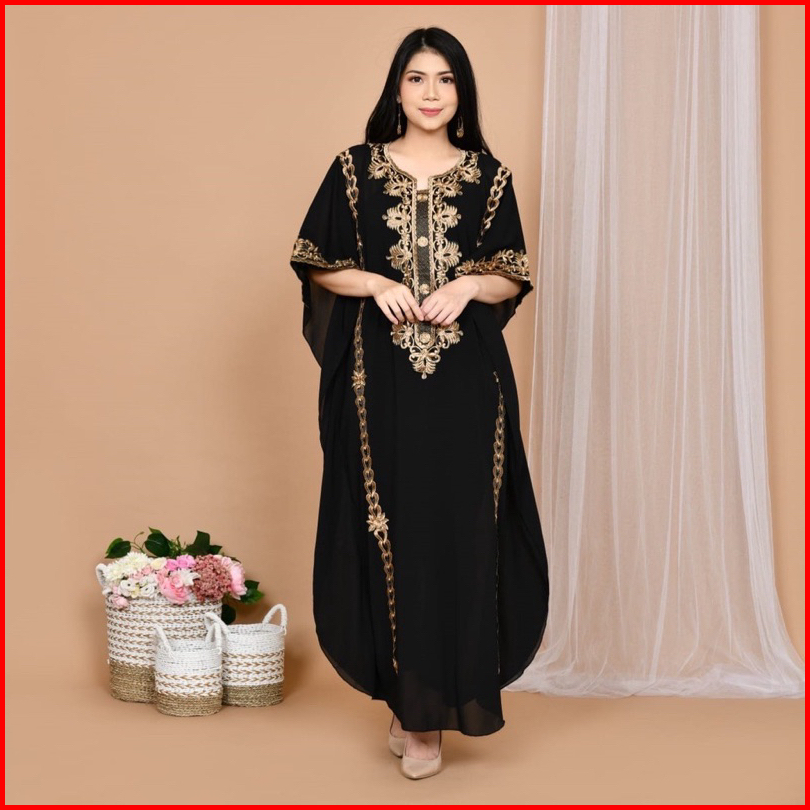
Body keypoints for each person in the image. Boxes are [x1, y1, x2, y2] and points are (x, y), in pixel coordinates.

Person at [289, 27, 549, 780]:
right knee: (392, 531)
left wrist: (468, 285)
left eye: (446, 79)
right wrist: (376, 282)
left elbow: (510, 274)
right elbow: (316, 260)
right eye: (416, 78)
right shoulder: (354, 170)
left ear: (462, 92)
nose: (431, 93)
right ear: (396, 89)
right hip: (379, 383)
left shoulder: (489, 177)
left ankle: (430, 715)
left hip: (468, 386)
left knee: (458, 534)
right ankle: (412, 705)